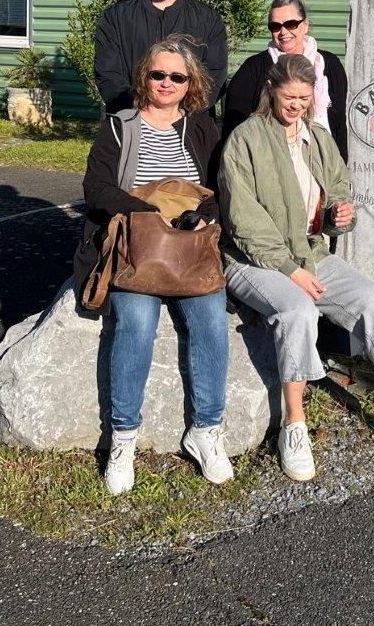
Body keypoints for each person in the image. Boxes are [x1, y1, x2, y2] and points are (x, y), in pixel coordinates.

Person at [219, 54, 374, 481]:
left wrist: (340, 214)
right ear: (270, 90)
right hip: (252, 260)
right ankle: (294, 423)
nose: (296, 107)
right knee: (298, 310)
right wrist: (291, 271)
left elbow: (339, 188)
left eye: (304, 99)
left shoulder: (318, 138)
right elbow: (243, 221)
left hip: (310, 253)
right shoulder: (245, 139)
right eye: (289, 97)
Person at [81, 35, 232, 494]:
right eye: (158, 74)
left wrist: (205, 213)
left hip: (191, 245)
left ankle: (206, 430)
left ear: (191, 84)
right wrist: (147, 212)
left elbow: (223, 186)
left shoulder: (204, 127)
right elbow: (97, 188)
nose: (166, 83)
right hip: (139, 244)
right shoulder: (118, 126)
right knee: (135, 322)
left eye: (177, 77)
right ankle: (123, 437)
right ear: (144, 77)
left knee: (210, 319)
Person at [95, 0, 228, 114]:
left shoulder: (208, 19)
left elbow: (214, 77)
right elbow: (108, 74)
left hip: (189, 125)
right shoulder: (117, 17)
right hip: (131, 122)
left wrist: (179, 112)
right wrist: (143, 111)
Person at [222, 0, 348, 161]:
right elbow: (235, 128)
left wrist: (341, 167)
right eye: (275, 26)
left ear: (305, 25)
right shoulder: (252, 70)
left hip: (325, 161)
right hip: (274, 165)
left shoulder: (329, 65)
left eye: (291, 24)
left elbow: (339, 122)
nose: (283, 32)